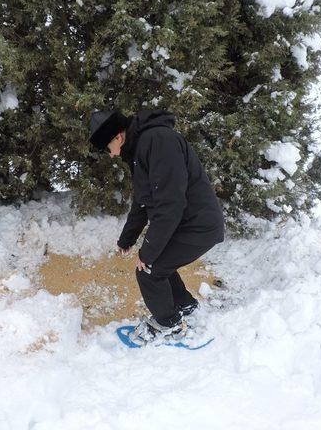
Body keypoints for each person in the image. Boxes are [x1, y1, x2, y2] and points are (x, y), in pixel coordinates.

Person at [88, 108, 225, 344]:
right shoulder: (142, 148)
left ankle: (168, 324)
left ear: (118, 137)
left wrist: (148, 252)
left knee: (149, 271)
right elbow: (143, 201)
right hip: (186, 223)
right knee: (159, 266)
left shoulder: (158, 141)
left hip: (198, 226)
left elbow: (170, 204)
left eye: (107, 148)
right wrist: (127, 239)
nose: (110, 155)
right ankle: (185, 307)